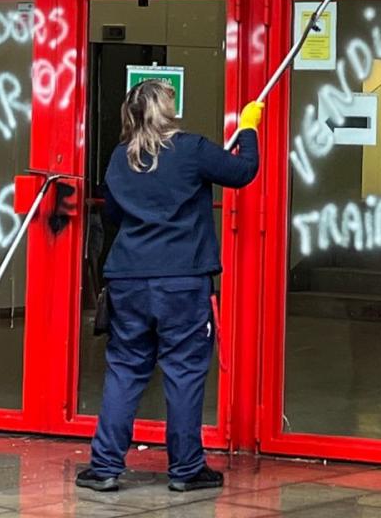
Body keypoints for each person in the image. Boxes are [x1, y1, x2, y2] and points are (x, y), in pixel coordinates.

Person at [76, 80, 262, 494]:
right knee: (183, 372)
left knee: (125, 370)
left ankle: (104, 466)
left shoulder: (120, 159)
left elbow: (115, 218)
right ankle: (186, 469)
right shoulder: (191, 150)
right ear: (166, 109)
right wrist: (249, 128)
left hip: (128, 280)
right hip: (182, 281)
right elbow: (243, 172)